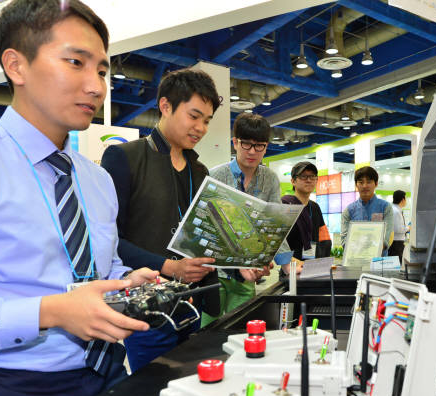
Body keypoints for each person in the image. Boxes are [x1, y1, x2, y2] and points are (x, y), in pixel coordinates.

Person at [0, 1, 159, 396]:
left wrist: (125, 283)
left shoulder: (96, 179)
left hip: (105, 378)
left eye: (103, 69)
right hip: (3, 394)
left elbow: (99, 266)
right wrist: (48, 312)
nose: (96, 86)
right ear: (16, 65)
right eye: (75, 62)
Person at [100, 68, 221, 372]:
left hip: (196, 306)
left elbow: (202, 235)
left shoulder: (200, 171)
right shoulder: (124, 158)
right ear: (166, 106)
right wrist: (166, 266)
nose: (201, 128)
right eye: (194, 116)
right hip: (149, 313)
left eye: (206, 120)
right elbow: (110, 241)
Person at [208, 113, 294, 320]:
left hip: (248, 274)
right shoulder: (215, 176)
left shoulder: (270, 179)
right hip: (214, 272)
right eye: (246, 144)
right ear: (235, 143)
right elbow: (209, 227)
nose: (253, 152)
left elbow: (275, 223)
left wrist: (285, 262)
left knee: (242, 327)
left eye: (260, 146)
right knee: (207, 334)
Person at [282, 161, 332, 260]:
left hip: (313, 266)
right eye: (303, 176)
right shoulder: (285, 205)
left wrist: (323, 261)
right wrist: (291, 262)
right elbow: (276, 243)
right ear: (293, 181)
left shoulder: (315, 207)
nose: (309, 180)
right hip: (292, 268)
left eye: (312, 176)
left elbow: (324, 238)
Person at [340, 166, 394, 252]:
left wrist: (368, 250)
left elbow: (386, 238)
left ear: (376, 184)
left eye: (369, 182)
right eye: (361, 182)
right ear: (356, 185)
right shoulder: (349, 210)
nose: (365, 186)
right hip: (355, 261)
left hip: (379, 262)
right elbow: (344, 241)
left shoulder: (386, 207)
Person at [389, 190, 409, 260]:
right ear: (402, 199)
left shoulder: (395, 209)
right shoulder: (396, 211)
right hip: (396, 242)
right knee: (396, 263)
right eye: (405, 199)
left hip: (396, 242)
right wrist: (408, 228)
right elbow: (398, 229)